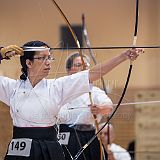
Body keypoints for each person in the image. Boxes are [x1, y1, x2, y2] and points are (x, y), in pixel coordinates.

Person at [0, 40, 143, 160]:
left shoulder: (56, 86)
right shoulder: (11, 87)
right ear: (29, 63)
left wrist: (123, 56)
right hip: (20, 149)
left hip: (49, 148)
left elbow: (93, 73)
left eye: (49, 57)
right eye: (42, 58)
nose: (48, 62)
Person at [57, 52, 113, 160]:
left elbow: (109, 108)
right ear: (69, 70)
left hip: (88, 135)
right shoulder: (59, 88)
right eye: (79, 65)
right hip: (66, 134)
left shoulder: (95, 91)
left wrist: (99, 109)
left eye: (86, 66)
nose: (83, 68)